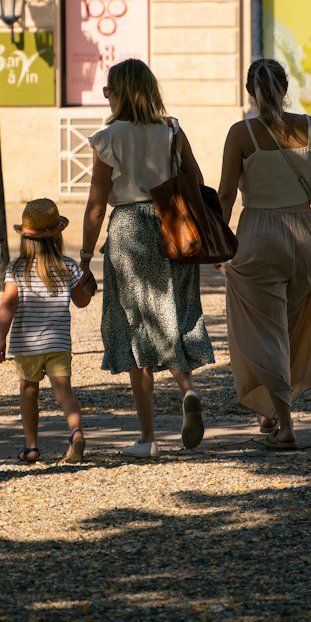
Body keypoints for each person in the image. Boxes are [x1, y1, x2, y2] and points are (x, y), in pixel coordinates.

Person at [80, 58, 214, 459]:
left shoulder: (108, 137)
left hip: (129, 231)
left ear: (119, 92)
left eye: (108, 89)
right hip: (173, 226)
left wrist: (85, 256)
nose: (107, 96)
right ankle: (187, 389)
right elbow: (197, 179)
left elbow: (96, 203)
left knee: (137, 325)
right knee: (174, 313)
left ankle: (147, 436)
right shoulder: (172, 129)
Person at [217, 58, 311, 450]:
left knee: (262, 330)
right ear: (285, 88)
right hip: (303, 231)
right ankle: (272, 407)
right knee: (291, 325)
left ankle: (284, 426)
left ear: (250, 91)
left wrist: (220, 241)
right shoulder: (310, 127)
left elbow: (226, 195)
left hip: (259, 234)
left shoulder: (241, 134)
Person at [0, 198, 98, 464]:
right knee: (64, 392)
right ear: (56, 236)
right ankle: (76, 433)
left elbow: (8, 305)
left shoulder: (16, 269)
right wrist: (88, 288)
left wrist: (0, 339)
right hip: (58, 342)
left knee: (29, 391)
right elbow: (81, 302)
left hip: (27, 344)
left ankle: (31, 447)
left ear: (26, 238)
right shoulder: (68, 266)